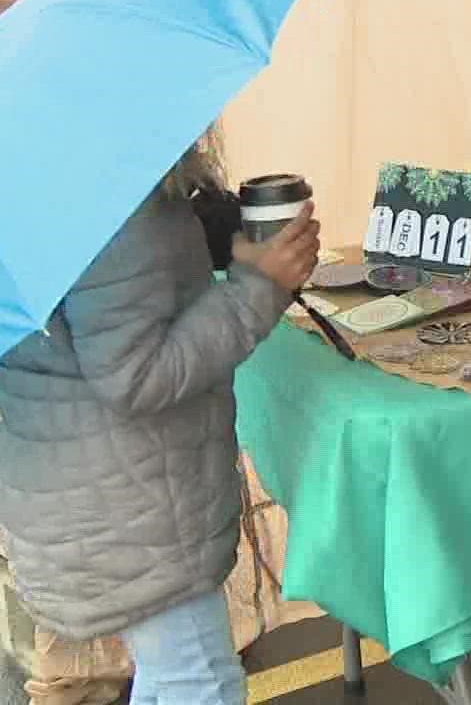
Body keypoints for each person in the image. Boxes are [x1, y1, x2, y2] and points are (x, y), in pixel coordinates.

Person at [0, 132, 321, 704]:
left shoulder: (45, 173)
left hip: (93, 491)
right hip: (132, 505)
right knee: (201, 680)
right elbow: (136, 376)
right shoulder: (105, 197)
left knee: (172, 667)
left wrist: (221, 242)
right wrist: (259, 289)